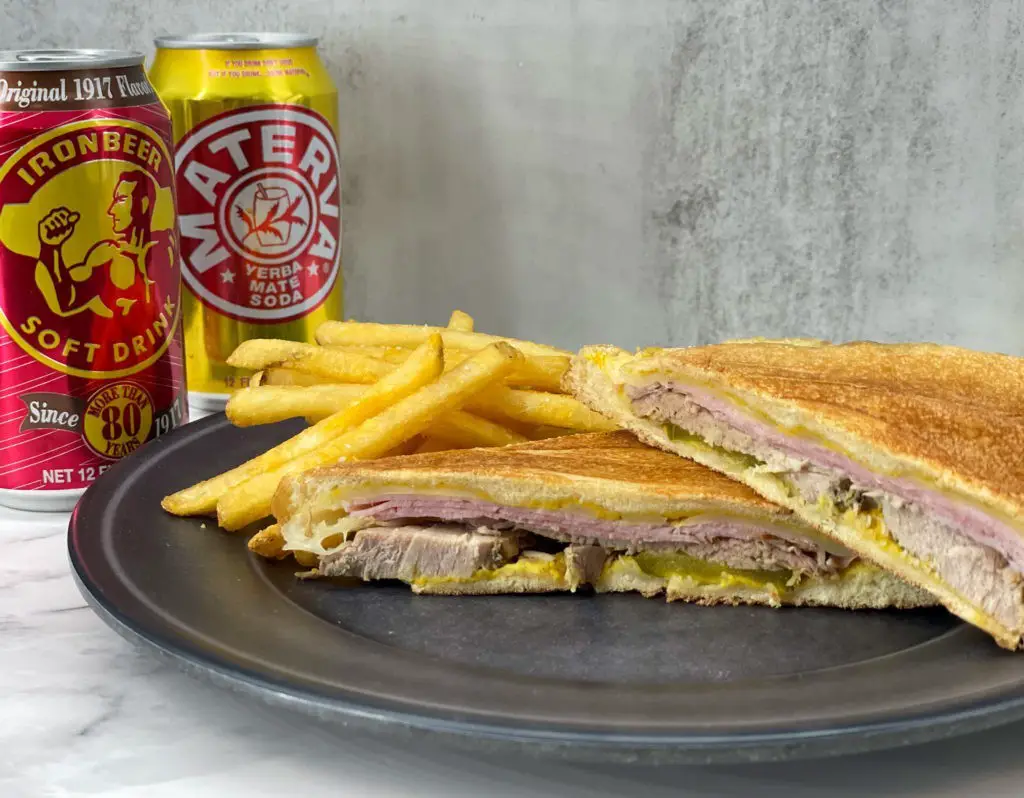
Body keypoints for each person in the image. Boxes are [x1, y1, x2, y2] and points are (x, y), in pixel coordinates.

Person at [33, 168, 174, 319]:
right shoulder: (107, 256)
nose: (111, 210)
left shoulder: (167, 244)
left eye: (120, 199)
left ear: (144, 203)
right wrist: (51, 249)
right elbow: (68, 300)